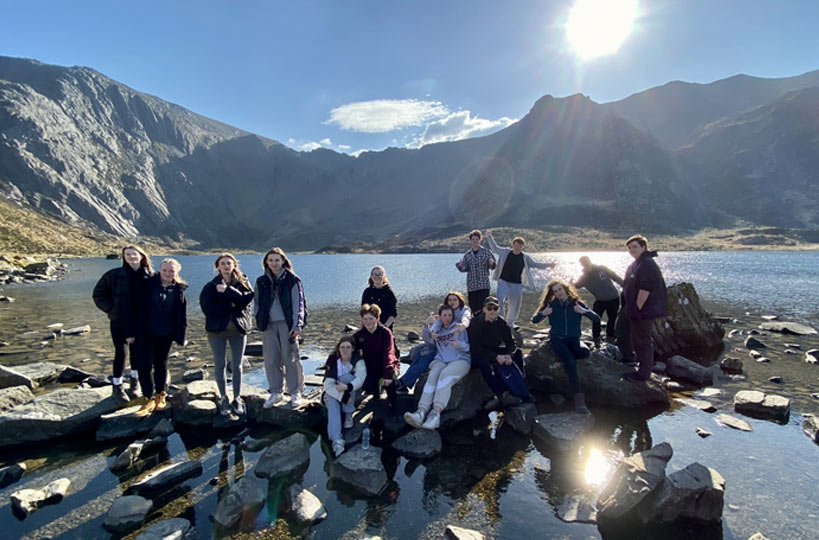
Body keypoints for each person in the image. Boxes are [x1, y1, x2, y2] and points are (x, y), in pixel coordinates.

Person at [92, 245, 153, 403]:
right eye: (128, 254)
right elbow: (98, 295)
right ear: (124, 257)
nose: (131, 257)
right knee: (121, 353)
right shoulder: (113, 275)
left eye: (134, 254)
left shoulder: (150, 276)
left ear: (141, 255)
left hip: (141, 323)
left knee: (137, 353)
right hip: (120, 322)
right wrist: (112, 311)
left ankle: (134, 383)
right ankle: (117, 386)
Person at [532, 278, 600, 414]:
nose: (558, 293)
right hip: (558, 340)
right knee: (570, 361)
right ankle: (579, 400)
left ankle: (570, 355)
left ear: (565, 289)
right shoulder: (552, 305)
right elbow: (534, 320)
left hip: (573, 339)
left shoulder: (576, 304)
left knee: (585, 353)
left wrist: (584, 312)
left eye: (560, 289)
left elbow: (597, 319)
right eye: (555, 291)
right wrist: (543, 314)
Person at [200, 253, 254, 416]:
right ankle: (223, 398)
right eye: (222, 263)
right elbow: (207, 309)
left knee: (237, 365)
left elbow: (247, 299)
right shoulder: (210, 286)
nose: (225, 266)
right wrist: (231, 306)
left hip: (238, 330)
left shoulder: (242, 282)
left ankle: (237, 398)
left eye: (228, 263)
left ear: (234, 265)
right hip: (217, 331)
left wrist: (229, 291)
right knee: (220, 365)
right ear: (217, 266)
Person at [404, 304, 471, 430]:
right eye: (444, 315)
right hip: (441, 360)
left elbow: (468, 348)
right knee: (433, 376)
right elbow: (427, 341)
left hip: (460, 360)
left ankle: (435, 414)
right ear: (440, 316)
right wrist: (426, 326)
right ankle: (421, 412)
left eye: (450, 315)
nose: (447, 318)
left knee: (445, 375)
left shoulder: (459, 327)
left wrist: (459, 345)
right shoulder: (437, 329)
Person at [135, 258, 188, 417]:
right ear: (160, 270)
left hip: (166, 333)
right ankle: (147, 397)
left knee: (161, 363)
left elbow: (181, 316)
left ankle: (160, 395)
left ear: (176, 272)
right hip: (145, 331)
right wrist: (130, 332)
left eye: (171, 271)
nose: (167, 273)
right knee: (144, 365)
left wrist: (180, 337)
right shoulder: (147, 285)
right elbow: (135, 308)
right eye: (165, 270)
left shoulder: (178, 289)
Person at [255, 248, 306, 408]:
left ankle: (295, 392)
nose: (274, 263)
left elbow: (299, 303)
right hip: (268, 325)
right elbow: (256, 303)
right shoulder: (261, 281)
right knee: (271, 360)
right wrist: (258, 319)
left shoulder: (292, 280)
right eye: (270, 260)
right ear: (266, 262)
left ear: (283, 261)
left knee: (291, 359)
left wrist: (297, 324)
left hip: (287, 324)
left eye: (277, 260)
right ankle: (276, 391)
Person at [616, 235, 668, 382]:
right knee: (620, 330)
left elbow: (646, 287)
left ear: (643, 247)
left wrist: (637, 308)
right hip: (630, 307)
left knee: (642, 341)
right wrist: (625, 306)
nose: (632, 250)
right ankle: (629, 358)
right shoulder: (636, 263)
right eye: (629, 248)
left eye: (635, 246)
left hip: (642, 310)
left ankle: (643, 373)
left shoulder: (647, 264)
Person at [396, 291, 471, 392]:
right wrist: (429, 329)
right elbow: (434, 328)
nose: (452, 302)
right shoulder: (444, 313)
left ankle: (404, 382)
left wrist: (463, 325)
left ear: (460, 301)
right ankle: (404, 382)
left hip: (455, 347)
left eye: (454, 300)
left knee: (427, 355)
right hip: (442, 345)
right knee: (422, 352)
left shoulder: (464, 311)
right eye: (449, 300)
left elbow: (466, 319)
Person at [467, 296, 533, 409]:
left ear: (499, 310)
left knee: (518, 353)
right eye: (489, 308)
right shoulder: (475, 324)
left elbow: (511, 343)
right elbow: (475, 347)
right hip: (478, 353)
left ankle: (522, 386)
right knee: (484, 363)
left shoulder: (502, 323)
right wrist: (496, 357)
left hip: (494, 349)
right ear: (484, 309)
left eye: (495, 308)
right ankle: (501, 394)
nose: (492, 311)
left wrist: (508, 355)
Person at [486, 230, 553, 327]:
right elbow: (495, 248)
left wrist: (549, 265)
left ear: (523, 247)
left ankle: (510, 323)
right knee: (500, 299)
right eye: (516, 245)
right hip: (503, 281)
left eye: (520, 246)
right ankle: (500, 318)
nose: (518, 248)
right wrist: (489, 237)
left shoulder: (525, 257)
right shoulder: (505, 252)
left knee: (515, 304)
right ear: (513, 245)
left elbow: (536, 264)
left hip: (517, 284)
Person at [323, 336, 367, 456]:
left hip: (350, 391)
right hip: (333, 393)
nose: (345, 350)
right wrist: (342, 397)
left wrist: (347, 388)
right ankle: (337, 440)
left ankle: (348, 413)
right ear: (339, 348)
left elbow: (360, 378)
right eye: (342, 347)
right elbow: (328, 385)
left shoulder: (358, 361)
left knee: (348, 378)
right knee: (332, 403)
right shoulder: (332, 360)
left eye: (348, 347)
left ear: (353, 348)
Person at [353, 304, 401, 406]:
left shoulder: (385, 333)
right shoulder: (359, 335)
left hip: (389, 363)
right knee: (367, 385)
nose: (368, 322)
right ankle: (376, 394)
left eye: (371, 319)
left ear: (377, 319)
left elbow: (388, 354)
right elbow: (349, 350)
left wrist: (387, 374)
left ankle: (393, 406)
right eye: (365, 319)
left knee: (390, 379)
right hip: (371, 366)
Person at [574, 256, 624, 348]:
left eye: (586, 261)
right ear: (581, 265)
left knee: (612, 319)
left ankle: (610, 338)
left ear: (590, 260)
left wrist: (625, 285)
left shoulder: (601, 269)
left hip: (613, 298)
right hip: (600, 300)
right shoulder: (584, 277)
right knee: (596, 318)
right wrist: (568, 284)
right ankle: (596, 338)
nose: (585, 263)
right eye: (583, 262)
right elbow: (575, 286)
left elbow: (615, 277)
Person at [455, 230, 496, 313]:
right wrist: (460, 266)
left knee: (484, 307)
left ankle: (484, 325)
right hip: (472, 286)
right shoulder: (467, 255)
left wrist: (491, 264)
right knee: (473, 308)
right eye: (473, 239)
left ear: (480, 240)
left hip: (484, 285)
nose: (475, 241)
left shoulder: (487, 252)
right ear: (470, 241)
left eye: (477, 239)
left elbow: (493, 266)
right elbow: (464, 269)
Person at [361, 266, 398, 330]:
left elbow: (393, 314)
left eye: (379, 274)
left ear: (384, 277)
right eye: (375, 274)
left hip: (385, 327)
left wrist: (384, 327)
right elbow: (363, 313)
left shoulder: (389, 292)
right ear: (371, 276)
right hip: (369, 328)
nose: (377, 276)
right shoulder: (367, 292)